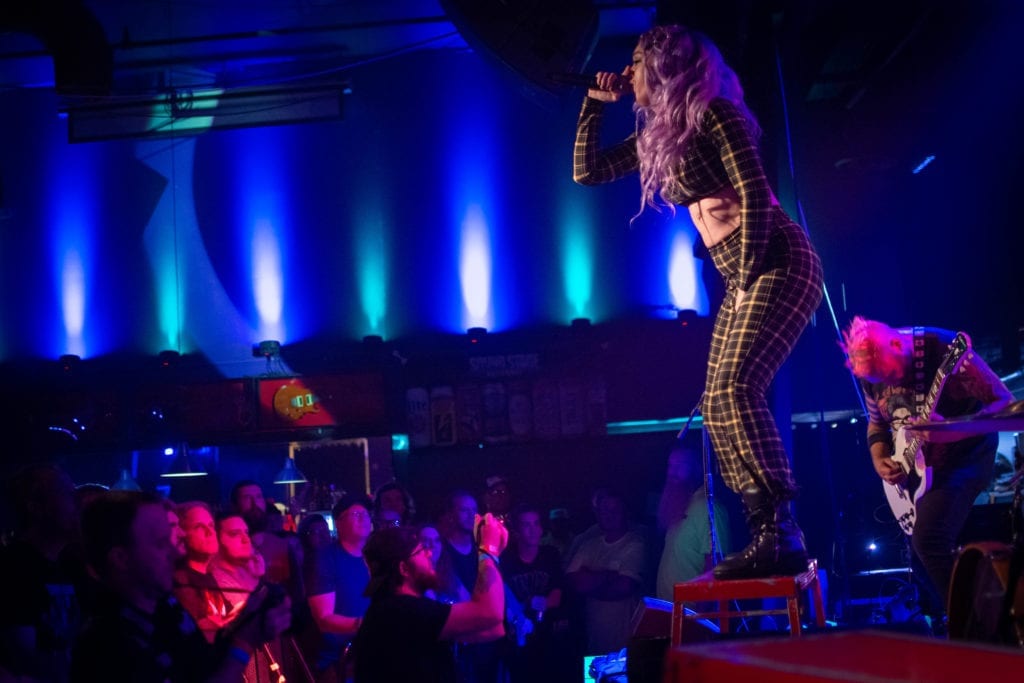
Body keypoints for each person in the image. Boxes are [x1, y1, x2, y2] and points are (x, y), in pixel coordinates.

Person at [573, 24, 823, 579]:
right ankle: (766, 529)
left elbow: (754, 193)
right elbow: (587, 172)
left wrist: (747, 270)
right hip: (743, 272)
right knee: (717, 400)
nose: (629, 73)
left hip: (776, 259)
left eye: (637, 62)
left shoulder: (715, 113)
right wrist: (593, 103)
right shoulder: (663, 137)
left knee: (737, 387)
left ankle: (782, 531)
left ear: (662, 66)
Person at [840, 316, 1013, 622]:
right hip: (917, 465)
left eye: (892, 374)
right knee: (918, 561)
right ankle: (957, 621)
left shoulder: (944, 349)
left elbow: (1005, 403)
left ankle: (975, 629)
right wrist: (879, 458)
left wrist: (952, 431)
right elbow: (877, 424)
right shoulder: (870, 374)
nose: (891, 383)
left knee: (929, 538)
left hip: (966, 455)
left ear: (897, 345)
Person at [70, 491, 291, 682]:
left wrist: (247, 619)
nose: (175, 552)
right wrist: (244, 643)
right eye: (160, 544)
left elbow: (202, 665)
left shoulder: (166, 605)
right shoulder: (107, 643)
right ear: (120, 559)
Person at [352, 513, 509, 683]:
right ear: (404, 568)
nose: (429, 553)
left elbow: (494, 628)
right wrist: (488, 551)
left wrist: (492, 553)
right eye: (421, 551)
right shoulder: (401, 610)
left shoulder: (392, 608)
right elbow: (490, 613)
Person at [303, 494, 372, 682]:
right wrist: (366, 625)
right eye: (356, 514)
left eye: (366, 514)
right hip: (340, 662)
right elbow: (324, 619)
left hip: (372, 653)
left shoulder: (375, 556)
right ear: (339, 523)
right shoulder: (325, 558)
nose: (363, 518)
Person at [655, 444, 731, 600]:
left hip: (691, 611)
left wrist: (702, 609)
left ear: (696, 469)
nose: (672, 472)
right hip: (671, 608)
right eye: (671, 465)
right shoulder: (680, 505)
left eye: (680, 465)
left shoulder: (708, 508)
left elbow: (716, 565)